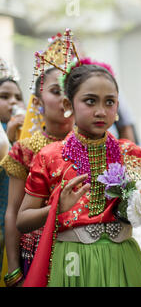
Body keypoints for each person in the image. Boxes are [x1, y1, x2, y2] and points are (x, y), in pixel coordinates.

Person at [16, 61, 141, 287]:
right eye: (90, 101)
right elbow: (22, 220)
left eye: (110, 102)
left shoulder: (130, 152)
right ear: (69, 104)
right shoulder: (49, 156)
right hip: (72, 262)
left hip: (123, 259)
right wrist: (56, 209)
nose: (101, 111)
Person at [1, 66, 75, 286]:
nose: (64, 99)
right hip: (34, 253)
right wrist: (14, 268)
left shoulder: (90, 146)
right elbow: (13, 211)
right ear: (37, 102)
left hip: (81, 250)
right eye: (55, 91)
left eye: (70, 91)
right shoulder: (25, 150)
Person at [0, 60, 25, 279]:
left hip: (17, 230)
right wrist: (7, 138)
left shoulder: (28, 135)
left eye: (18, 97)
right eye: (4, 96)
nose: (13, 103)